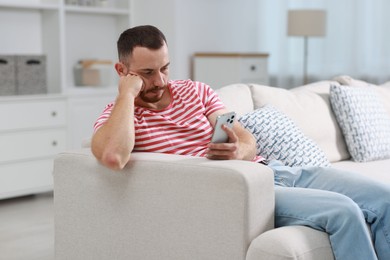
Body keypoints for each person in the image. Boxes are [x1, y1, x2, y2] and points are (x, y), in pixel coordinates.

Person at [91, 25, 390, 260]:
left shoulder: (197, 91)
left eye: (165, 68)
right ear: (122, 71)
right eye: (147, 73)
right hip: (240, 190)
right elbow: (113, 157)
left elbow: (245, 136)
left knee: (384, 199)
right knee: (343, 212)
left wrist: (239, 148)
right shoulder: (120, 116)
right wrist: (127, 95)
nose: (160, 81)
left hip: (275, 171)